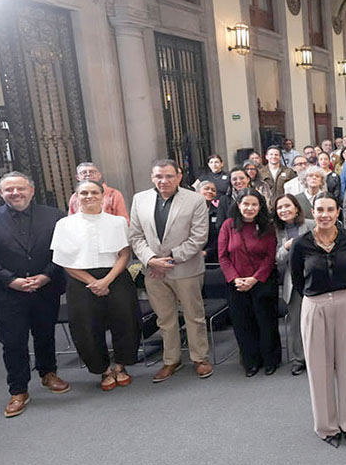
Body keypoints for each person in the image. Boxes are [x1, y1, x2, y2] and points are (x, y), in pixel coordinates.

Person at [0, 172, 69, 417]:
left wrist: (46, 275)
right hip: (7, 292)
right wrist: (11, 280)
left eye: (20, 188)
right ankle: (18, 390)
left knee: (45, 334)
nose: (15, 193)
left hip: (45, 288)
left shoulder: (55, 216)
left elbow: (62, 250)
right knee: (13, 342)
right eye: (9, 190)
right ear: (1, 193)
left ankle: (48, 373)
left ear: (32, 190)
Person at [291, 193, 346, 446]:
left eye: (330, 210)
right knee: (319, 367)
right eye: (320, 210)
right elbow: (298, 280)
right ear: (312, 212)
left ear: (338, 212)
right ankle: (327, 426)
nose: (325, 215)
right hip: (315, 306)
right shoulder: (300, 244)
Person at [52, 179, 142, 391]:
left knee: (126, 321)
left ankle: (120, 367)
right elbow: (64, 260)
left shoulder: (117, 222)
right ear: (76, 197)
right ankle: (104, 370)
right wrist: (93, 282)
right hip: (80, 279)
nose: (89, 196)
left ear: (103, 196)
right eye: (84, 193)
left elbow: (124, 254)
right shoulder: (64, 224)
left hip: (116, 276)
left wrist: (106, 280)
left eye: (94, 192)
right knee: (86, 326)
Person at [128, 159, 213, 383]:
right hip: (153, 271)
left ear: (179, 176)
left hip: (186, 268)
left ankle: (200, 358)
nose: (163, 181)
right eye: (158, 176)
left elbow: (199, 237)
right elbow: (135, 236)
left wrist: (170, 259)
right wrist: (151, 260)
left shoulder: (195, 200)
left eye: (168, 176)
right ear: (152, 177)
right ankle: (171, 360)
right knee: (165, 319)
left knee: (194, 316)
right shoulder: (139, 199)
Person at [219, 189, 280, 377]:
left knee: (266, 323)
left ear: (260, 206)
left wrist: (255, 279)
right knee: (243, 325)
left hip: (262, 281)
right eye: (246, 204)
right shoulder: (228, 226)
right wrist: (235, 278)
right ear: (238, 205)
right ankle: (251, 362)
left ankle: (271, 360)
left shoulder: (267, 226)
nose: (250, 208)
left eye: (254, 204)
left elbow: (270, 256)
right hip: (236, 283)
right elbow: (223, 256)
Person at [274, 194, 313, 375]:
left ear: (296, 208)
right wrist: (287, 246)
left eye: (287, 206)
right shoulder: (276, 231)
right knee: (296, 322)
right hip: (293, 281)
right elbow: (277, 259)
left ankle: (321, 356)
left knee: (319, 322)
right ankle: (299, 358)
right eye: (280, 208)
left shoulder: (311, 225)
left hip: (315, 279)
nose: (284, 210)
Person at [195, 179, 232, 263]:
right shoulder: (188, 211)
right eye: (206, 188)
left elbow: (220, 236)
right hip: (190, 255)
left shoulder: (218, 212)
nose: (210, 191)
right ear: (197, 191)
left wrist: (207, 252)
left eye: (213, 190)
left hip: (212, 257)